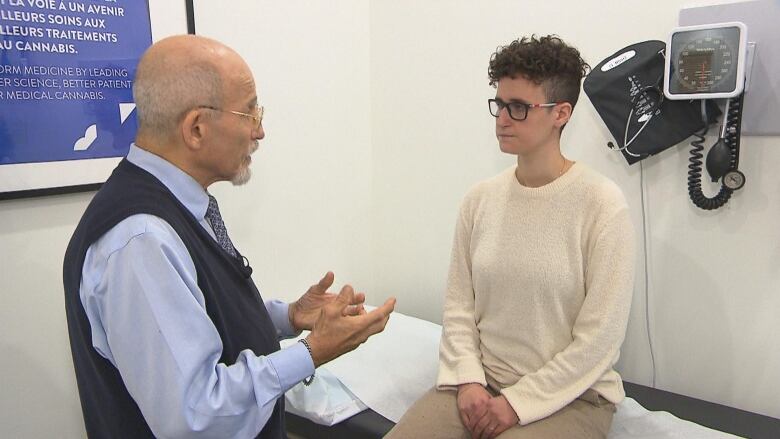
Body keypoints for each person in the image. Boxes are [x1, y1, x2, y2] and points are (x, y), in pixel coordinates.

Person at [62, 35, 396, 439]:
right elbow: (197, 415)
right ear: (197, 128)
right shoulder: (141, 239)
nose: (260, 132)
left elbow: (198, 323)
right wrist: (314, 351)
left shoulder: (177, 207)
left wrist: (288, 316)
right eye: (250, 113)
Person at [386, 35, 635, 439]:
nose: (502, 118)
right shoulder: (479, 200)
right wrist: (467, 379)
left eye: (518, 108)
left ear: (561, 113)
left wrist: (517, 404)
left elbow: (598, 341)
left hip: (571, 397)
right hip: (479, 384)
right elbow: (458, 307)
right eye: (500, 105)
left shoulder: (602, 206)